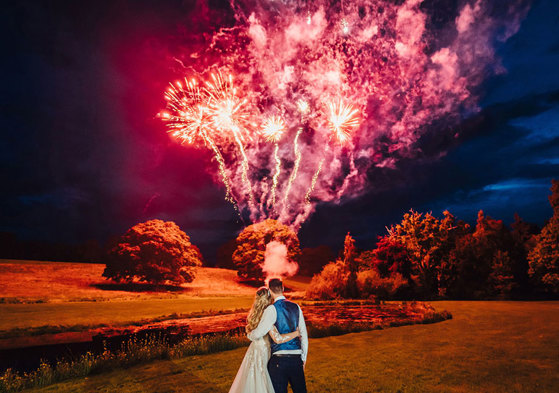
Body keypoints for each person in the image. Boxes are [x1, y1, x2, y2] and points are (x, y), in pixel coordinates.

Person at [229, 286, 301, 393]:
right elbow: (277, 338)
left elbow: (251, 334)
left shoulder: (254, 314)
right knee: (262, 379)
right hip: (263, 352)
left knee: (250, 378)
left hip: (253, 350)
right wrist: (296, 333)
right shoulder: (268, 315)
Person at [247, 278, 308, 393]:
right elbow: (304, 335)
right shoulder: (297, 307)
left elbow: (259, 333)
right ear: (283, 288)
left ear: (270, 291)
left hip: (279, 361)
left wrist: (250, 335)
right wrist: (303, 359)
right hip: (296, 359)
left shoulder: (271, 309)